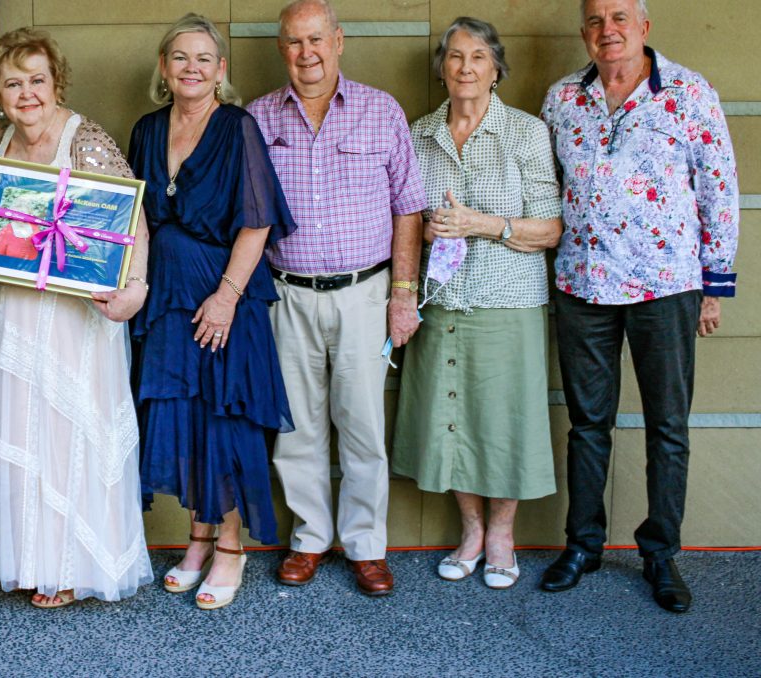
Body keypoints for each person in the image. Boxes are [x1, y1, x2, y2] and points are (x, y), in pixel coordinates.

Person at [538, 0, 738, 613]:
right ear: (585, 34)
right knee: (588, 424)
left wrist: (716, 283)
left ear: (643, 27)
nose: (608, 30)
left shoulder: (689, 92)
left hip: (667, 284)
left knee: (667, 426)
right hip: (584, 284)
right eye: (596, 21)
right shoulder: (562, 99)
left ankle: (660, 553)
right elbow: (546, 186)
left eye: (620, 17)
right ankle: (584, 544)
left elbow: (719, 186)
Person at [0, 27, 153, 609]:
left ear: (56, 82)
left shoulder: (86, 139)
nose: (27, 93)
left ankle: (69, 565)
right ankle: (25, 557)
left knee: (67, 431)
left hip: (72, 320)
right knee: (16, 427)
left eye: (36, 80)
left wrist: (134, 288)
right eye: (13, 83)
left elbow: (131, 224)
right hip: (11, 311)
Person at [246, 0, 427, 595]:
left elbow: (408, 207)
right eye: (295, 42)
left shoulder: (380, 111)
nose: (308, 53)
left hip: (363, 294)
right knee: (296, 427)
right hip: (286, 295)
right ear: (282, 50)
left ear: (339, 41)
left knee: (362, 425)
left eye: (317, 39)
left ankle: (367, 545)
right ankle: (309, 538)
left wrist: (403, 294)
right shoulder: (259, 118)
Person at [130, 14, 296, 610]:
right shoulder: (147, 130)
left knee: (222, 420)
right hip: (168, 297)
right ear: (164, 67)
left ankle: (231, 548)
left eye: (204, 58)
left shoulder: (238, 128)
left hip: (222, 294)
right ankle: (198, 539)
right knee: (182, 415)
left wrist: (225, 298)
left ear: (221, 70)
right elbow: (137, 221)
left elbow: (257, 223)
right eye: (180, 57)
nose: (192, 67)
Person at [390, 17, 562, 590]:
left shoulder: (526, 133)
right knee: (453, 419)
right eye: (456, 57)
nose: (466, 67)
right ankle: (469, 531)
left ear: (496, 69)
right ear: (442, 68)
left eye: (479, 58)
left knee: (505, 421)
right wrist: (430, 233)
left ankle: (502, 537)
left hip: (508, 299)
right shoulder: (419, 135)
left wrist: (480, 224)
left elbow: (552, 229)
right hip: (443, 301)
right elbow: (407, 220)